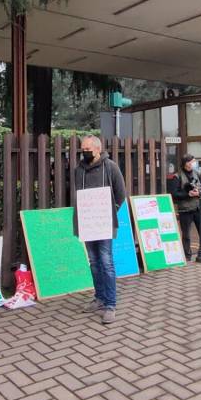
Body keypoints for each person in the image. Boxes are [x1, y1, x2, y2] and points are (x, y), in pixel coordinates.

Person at [74, 136, 127, 325]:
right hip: (87, 224)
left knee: (106, 262)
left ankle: (110, 305)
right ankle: (100, 298)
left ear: (98, 149)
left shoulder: (110, 166)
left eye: (87, 148)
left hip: (103, 223)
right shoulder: (78, 170)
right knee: (94, 262)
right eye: (82, 148)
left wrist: (108, 213)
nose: (84, 151)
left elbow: (121, 193)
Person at [169, 154, 201, 262]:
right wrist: (187, 194)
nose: (192, 163)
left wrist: (199, 192)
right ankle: (187, 256)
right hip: (185, 210)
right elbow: (174, 194)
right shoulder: (177, 176)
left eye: (193, 161)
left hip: (199, 208)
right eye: (190, 161)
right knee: (186, 235)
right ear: (185, 163)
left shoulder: (197, 173)